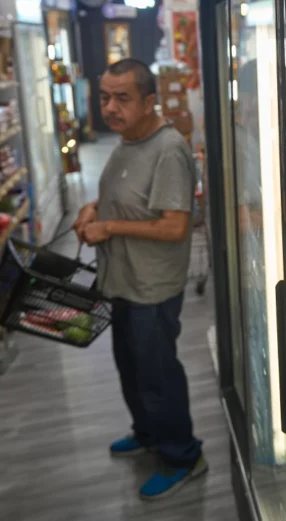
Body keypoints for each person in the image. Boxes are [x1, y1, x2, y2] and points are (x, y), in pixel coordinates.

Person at [73, 58, 205, 500]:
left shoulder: (168, 150)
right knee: (131, 369)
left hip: (152, 288)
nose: (110, 107)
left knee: (159, 376)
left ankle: (184, 455)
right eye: (105, 97)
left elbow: (173, 226)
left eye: (122, 98)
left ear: (150, 101)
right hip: (121, 281)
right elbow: (125, 199)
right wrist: (95, 208)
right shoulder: (126, 142)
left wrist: (108, 228)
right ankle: (148, 434)